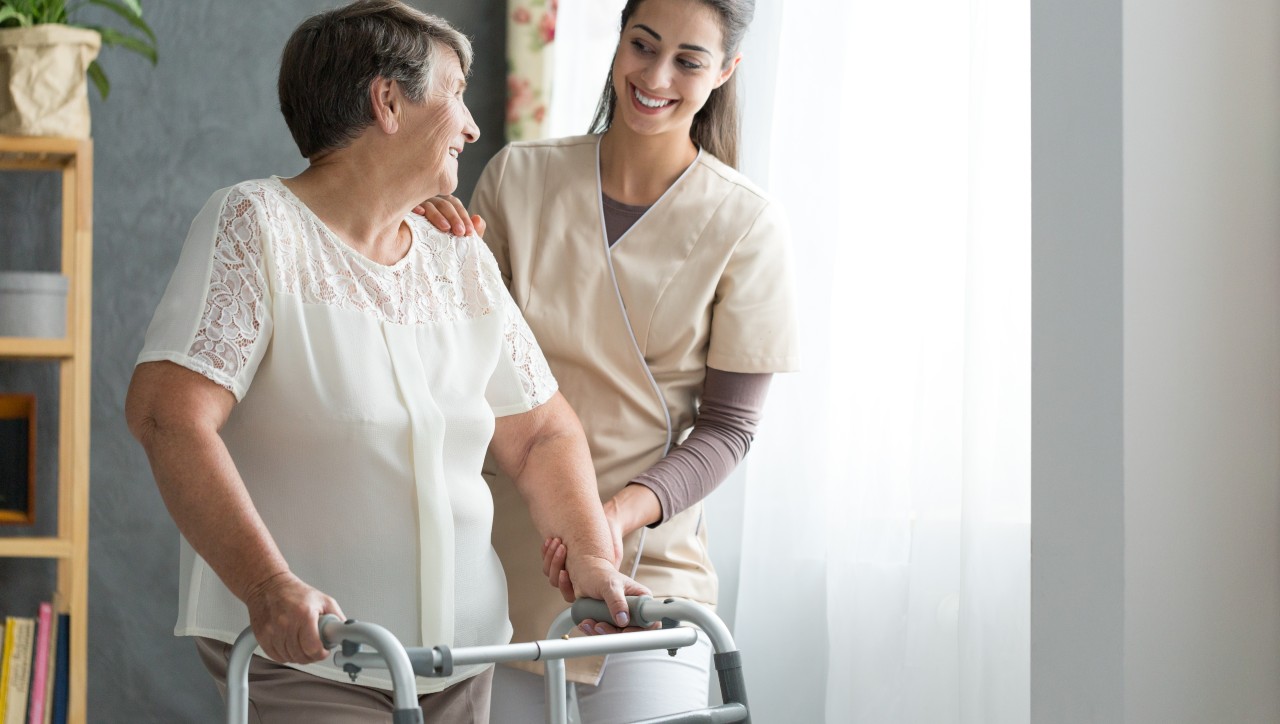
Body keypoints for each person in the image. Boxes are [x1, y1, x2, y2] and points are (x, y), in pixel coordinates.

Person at [124, 2, 644, 722]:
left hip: (463, 658)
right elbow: (166, 414)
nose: (472, 124)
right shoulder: (258, 227)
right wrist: (268, 585)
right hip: (312, 655)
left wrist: (590, 553)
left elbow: (541, 433)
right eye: (455, 92)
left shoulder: (456, 255)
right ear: (388, 101)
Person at [419, 0, 799, 720]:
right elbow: (455, 362)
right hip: (505, 562)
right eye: (642, 45)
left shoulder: (748, 225)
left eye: (688, 60)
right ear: (619, 41)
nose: (655, 76)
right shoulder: (517, 179)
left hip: (650, 569)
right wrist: (428, 244)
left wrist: (612, 516)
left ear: (725, 72)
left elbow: (728, 430)